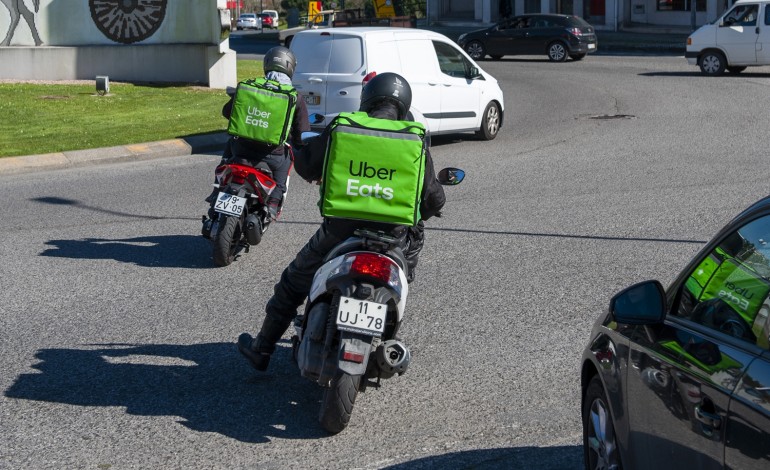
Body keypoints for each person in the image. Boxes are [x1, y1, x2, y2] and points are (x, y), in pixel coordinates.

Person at [237, 72, 446, 371]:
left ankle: (263, 348)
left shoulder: (344, 126)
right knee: (405, 272)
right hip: (393, 239)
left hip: (339, 232)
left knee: (293, 283)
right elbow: (433, 201)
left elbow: (308, 166)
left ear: (367, 99)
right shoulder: (415, 137)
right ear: (404, 104)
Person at [207, 46, 309, 219]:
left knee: (231, 141)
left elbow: (227, 112)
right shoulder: (294, 97)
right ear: (291, 68)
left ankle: (217, 190)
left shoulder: (249, 86)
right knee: (286, 163)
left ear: (267, 65)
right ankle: (273, 203)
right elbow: (301, 135)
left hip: (241, 151)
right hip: (273, 156)